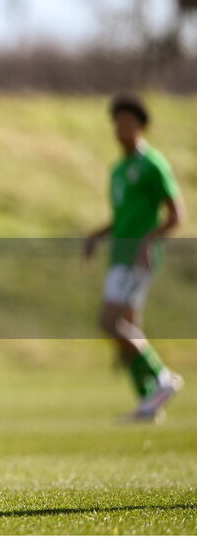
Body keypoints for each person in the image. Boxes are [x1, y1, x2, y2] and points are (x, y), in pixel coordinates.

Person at [84, 94, 185, 422]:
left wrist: (148, 241)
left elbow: (176, 215)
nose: (121, 129)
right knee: (129, 332)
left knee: (110, 322)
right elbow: (123, 217)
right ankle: (148, 404)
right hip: (119, 255)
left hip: (137, 258)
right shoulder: (118, 169)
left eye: (128, 123)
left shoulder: (152, 164)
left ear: (141, 127)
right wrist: (96, 237)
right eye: (117, 122)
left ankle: (162, 378)